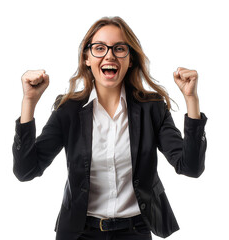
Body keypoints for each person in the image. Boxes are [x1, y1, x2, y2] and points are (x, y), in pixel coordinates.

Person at [12, 16, 207, 240]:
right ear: (86, 58)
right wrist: (29, 102)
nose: (109, 55)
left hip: (135, 231)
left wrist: (192, 99)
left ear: (130, 59)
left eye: (119, 48)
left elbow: (191, 167)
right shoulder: (68, 111)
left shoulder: (152, 109)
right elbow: (25, 171)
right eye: (99, 48)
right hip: (79, 232)